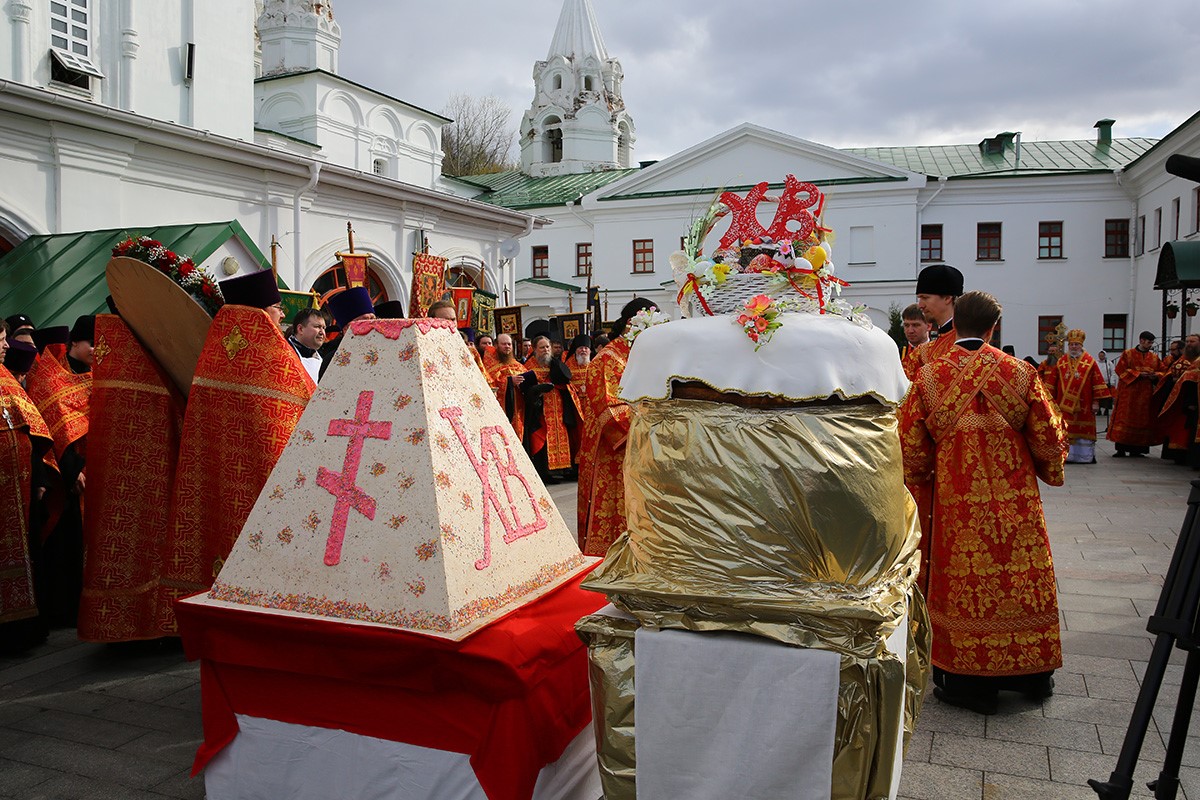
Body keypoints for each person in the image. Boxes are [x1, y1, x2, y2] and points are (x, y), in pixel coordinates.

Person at [899, 290, 1066, 715]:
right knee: (1022, 581)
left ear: (956, 322)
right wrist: (1050, 469)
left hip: (958, 503)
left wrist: (924, 476)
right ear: (994, 327)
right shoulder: (1022, 373)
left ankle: (969, 684)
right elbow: (1049, 439)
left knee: (966, 586)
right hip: (1017, 502)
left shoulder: (931, 377)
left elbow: (912, 450)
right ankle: (1031, 676)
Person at [157, 267, 315, 634]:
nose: (281, 315)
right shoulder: (269, 353)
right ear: (260, 311)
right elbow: (309, 404)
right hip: (263, 478)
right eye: (276, 307)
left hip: (216, 476)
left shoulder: (217, 348)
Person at [578, 298, 657, 556]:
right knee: (614, 504)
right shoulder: (610, 357)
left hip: (642, 444)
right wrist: (649, 425)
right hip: (613, 450)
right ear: (632, 324)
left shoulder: (640, 355)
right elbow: (609, 407)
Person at [0, 346, 52, 651]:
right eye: (1, 338)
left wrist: (40, 477)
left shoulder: (6, 378)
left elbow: (34, 430)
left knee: (28, 554)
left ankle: (26, 630)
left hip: (20, 489)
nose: (6, 346)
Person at [517, 335, 575, 484]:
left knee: (560, 434)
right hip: (540, 410)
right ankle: (546, 472)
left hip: (558, 405)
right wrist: (537, 390)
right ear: (534, 349)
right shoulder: (528, 366)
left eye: (547, 347)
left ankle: (562, 470)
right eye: (542, 347)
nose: (546, 350)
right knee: (543, 437)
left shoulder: (554, 364)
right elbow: (525, 390)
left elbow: (565, 381)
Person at [1049, 329, 1111, 464]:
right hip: (1063, 405)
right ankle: (1067, 456)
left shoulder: (1090, 362)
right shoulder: (1061, 362)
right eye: (1071, 344)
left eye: (1076, 344)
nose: (1074, 347)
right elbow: (1052, 383)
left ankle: (1084, 457)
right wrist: (1050, 402)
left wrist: (1096, 402)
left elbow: (1097, 383)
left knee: (1082, 432)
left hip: (1085, 405)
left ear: (1081, 345)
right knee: (1065, 430)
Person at [1108, 331, 1162, 457]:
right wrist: (1138, 374)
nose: (1150, 345)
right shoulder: (1128, 354)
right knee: (1124, 418)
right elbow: (1120, 369)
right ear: (1141, 340)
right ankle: (1121, 448)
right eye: (1149, 342)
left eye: (1152, 343)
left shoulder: (1154, 357)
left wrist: (1155, 375)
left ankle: (1137, 450)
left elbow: (1162, 371)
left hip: (1145, 394)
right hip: (1129, 393)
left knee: (1142, 420)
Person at [1159, 335, 1200, 466]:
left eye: (1192, 341)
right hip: (1186, 399)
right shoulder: (1181, 360)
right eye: (1187, 341)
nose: (1189, 344)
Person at [318, 286, 375, 379]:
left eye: (373, 319)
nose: (372, 324)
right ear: (347, 328)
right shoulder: (333, 360)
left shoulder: (384, 352)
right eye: (364, 320)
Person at [914, 263, 963, 368]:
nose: (920, 305)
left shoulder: (964, 338)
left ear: (947, 298)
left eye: (925, 298)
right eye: (919, 298)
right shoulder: (923, 351)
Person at [487, 333, 526, 439]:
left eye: (509, 344)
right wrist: (509, 381)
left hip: (519, 409)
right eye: (503, 344)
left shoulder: (518, 365)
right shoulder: (490, 366)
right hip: (501, 410)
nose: (507, 346)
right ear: (496, 346)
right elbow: (489, 383)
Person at [288, 307, 327, 384]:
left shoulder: (324, 357)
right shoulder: (286, 353)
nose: (322, 332)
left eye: (324, 328)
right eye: (317, 327)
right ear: (300, 329)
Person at [898, 303, 930, 380]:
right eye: (906, 325)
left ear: (928, 326)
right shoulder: (898, 353)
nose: (910, 331)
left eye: (915, 325)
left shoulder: (938, 352)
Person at [1096, 350, 1115, 416]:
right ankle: (1099, 410)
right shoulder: (1096, 363)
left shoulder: (1109, 363)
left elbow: (1113, 373)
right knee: (1099, 397)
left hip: (1107, 383)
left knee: (1107, 398)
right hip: (1098, 383)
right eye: (1100, 355)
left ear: (1105, 356)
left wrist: (1112, 382)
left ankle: (1106, 410)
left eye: (1102, 355)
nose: (1101, 356)